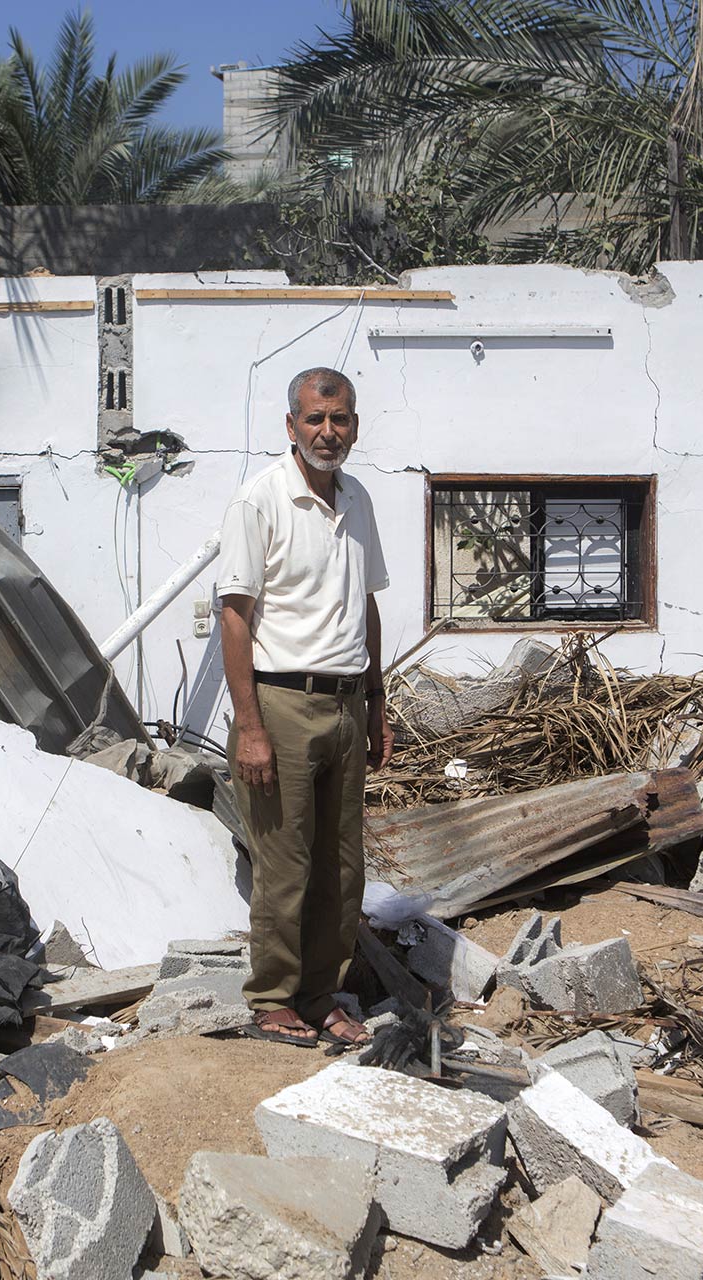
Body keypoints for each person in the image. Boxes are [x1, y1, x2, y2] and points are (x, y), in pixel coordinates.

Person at [214, 366, 392, 1048]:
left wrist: (376, 701)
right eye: (315, 419)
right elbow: (236, 616)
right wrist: (250, 726)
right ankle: (272, 999)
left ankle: (322, 996)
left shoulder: (359, 500)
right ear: (292, 426)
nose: (328, 431)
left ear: (354, 424)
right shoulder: (259, 501)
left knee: (342, 868)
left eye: (340, 419)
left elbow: (367, 602)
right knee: (285, 863)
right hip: (281, 704)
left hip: (347, 703)